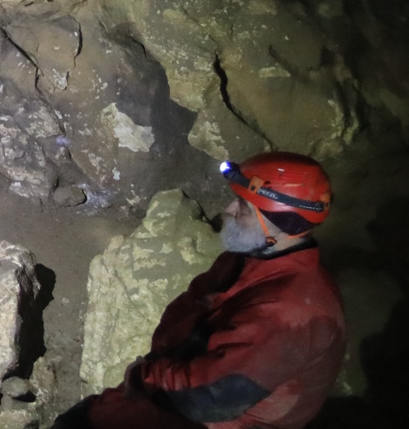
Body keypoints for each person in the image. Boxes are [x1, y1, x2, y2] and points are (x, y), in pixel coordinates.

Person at [55, 152, 346, 429]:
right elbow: (192, 305)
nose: (228, 210)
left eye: (243, 207)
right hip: (188, 378)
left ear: (281, 225)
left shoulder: (288, 313)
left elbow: (210, 396)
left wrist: (144, 378)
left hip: (225, 420)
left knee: (83, 422)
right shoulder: (251, 259)